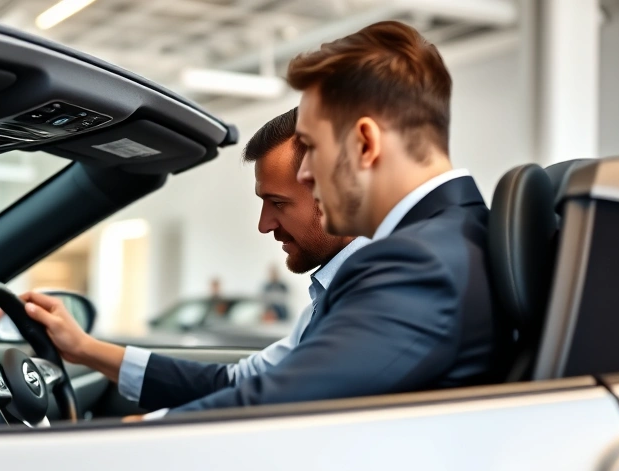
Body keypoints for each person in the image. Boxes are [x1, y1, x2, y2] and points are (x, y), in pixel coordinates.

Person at [20, 107, 369, 415]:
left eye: (278, 202)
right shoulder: (334, 296)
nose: (264, 224)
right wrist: (84, 349)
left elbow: (279, 404)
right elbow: (241, 383)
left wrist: (152, 427)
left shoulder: (375, 300)